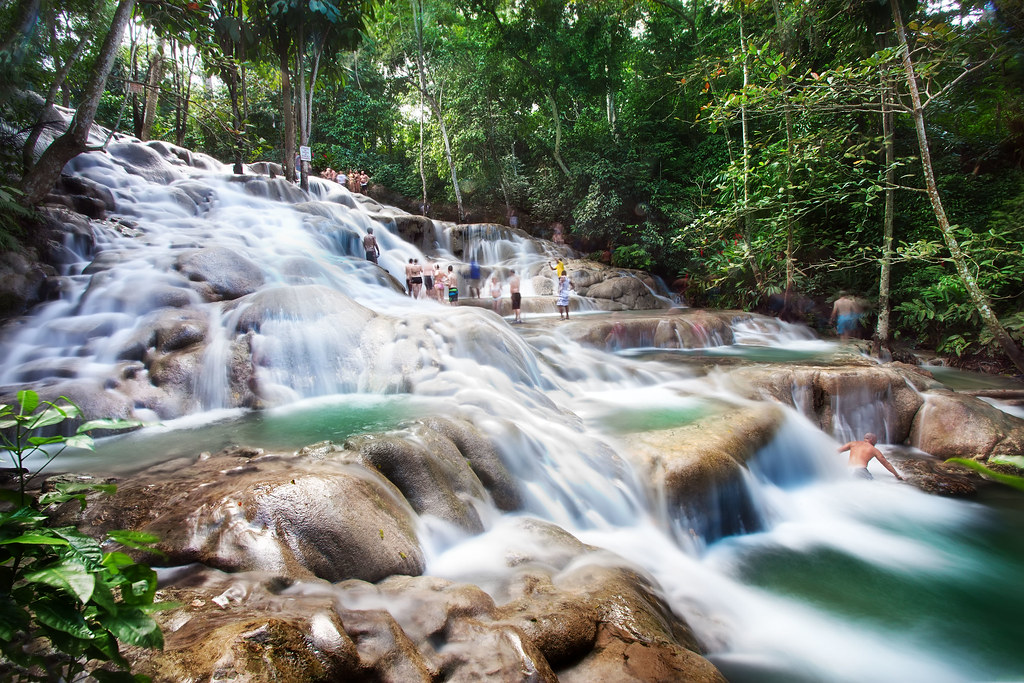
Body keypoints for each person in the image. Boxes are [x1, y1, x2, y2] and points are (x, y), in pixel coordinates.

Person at [837, 433, 904, 481]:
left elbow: (838, 451)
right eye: (876, 440)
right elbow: (886, 463)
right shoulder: (873, 449)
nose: (876, 441)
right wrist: (897, 475)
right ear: (871, 439)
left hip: (847, 470)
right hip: (860, 470)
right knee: (873, 486)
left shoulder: (853, 443)